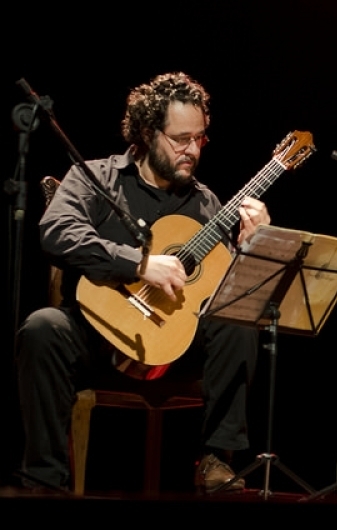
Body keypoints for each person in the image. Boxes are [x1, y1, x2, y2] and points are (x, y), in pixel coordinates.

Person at [14, 72, 270, 494]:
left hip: (173, 344)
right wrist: (138, 264)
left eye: (200, 139)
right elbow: (57, 231)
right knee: (43, 328)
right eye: (180, 138)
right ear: (148, 132)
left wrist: (253, 246)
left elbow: (232, 289)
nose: (192, 150)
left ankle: (214, 460)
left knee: (238, 321)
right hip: (99, 333)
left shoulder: (205, 203)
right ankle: (45, 479)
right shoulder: (95, 178)